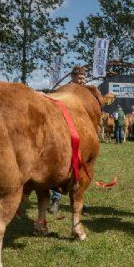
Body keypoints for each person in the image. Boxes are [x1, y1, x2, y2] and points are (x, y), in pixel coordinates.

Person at [48, 66, 87, 214]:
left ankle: (79, 200)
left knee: (82, 169)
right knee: (61, 167)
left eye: (83, 78)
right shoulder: (64, 91)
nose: (81, 80)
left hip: (82, 134)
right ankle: (56, 199)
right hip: (65, 134)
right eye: (79, 78)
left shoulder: (86, 93)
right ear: (73, 77)